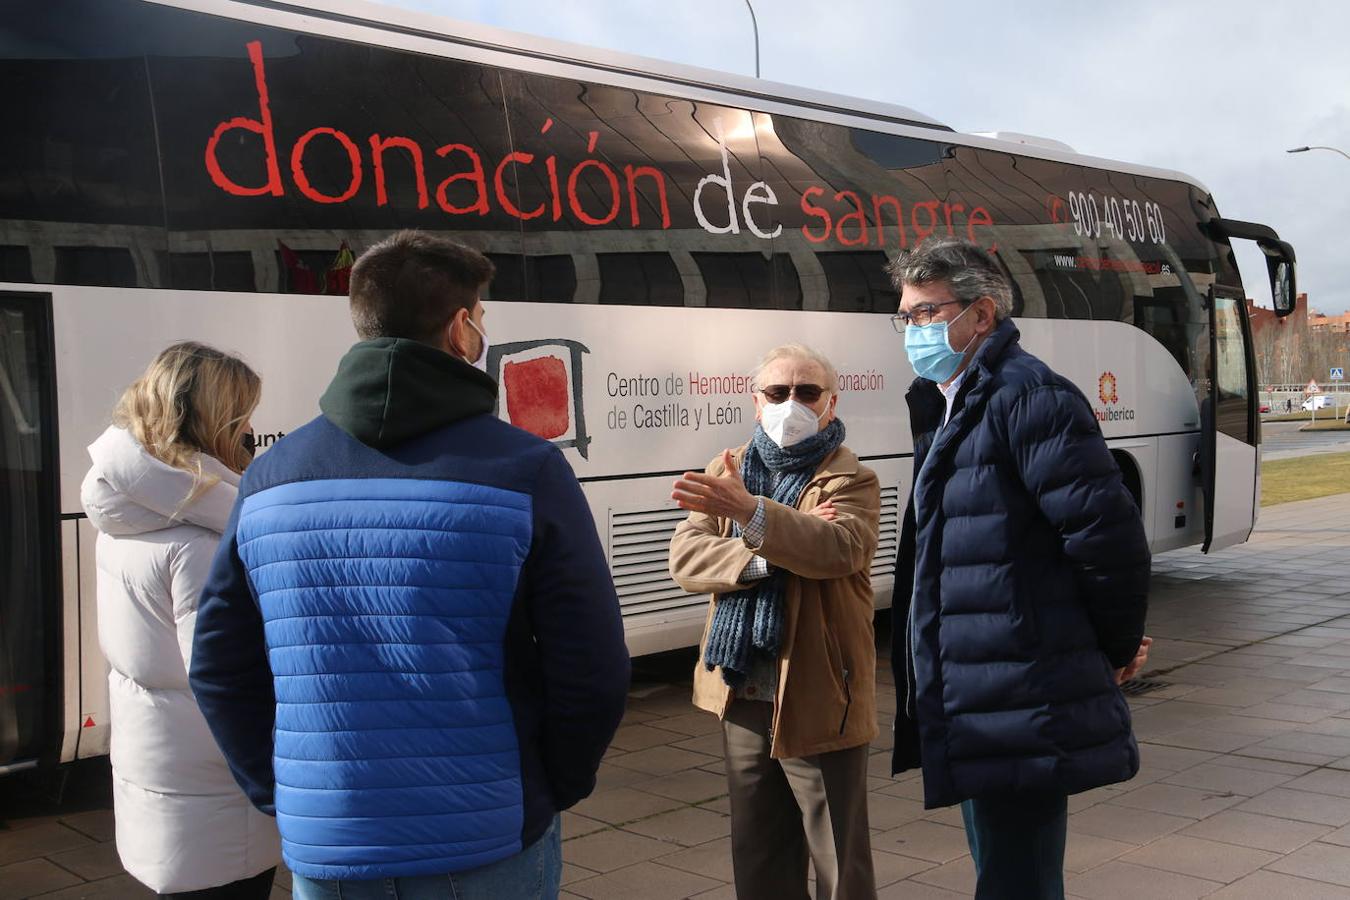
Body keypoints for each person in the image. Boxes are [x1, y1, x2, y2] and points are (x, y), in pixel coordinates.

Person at [188, 231, 630, 900]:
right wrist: (548, 788)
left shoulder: (269, 477)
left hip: (330, 845)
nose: (481, 329)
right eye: (480, 316)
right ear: (460, 328)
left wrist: (283, 793)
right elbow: (591, 667)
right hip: (485, 836)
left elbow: (221, 668)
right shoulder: (526, 469)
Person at [887, 237, 1152, 899]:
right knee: (1004, 873)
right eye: (906, 316)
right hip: (978, 692)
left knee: (1018, 882)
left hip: (1021, 694)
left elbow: (1109, 542)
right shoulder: (949, 401)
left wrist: (1114, 648)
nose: (913, 329)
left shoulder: (1031, 398)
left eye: (925, 313)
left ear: (980, 315)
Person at [669, 343, 881, 900]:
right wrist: (766, 552)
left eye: (807, 392)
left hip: (822, 690)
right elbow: (687, 559)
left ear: (831, 403)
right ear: (756, 401)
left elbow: (838, 549)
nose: (792, 403)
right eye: (778, 392)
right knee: (760, 853)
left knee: (838, 858)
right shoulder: (728, 470)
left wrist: (749, 516)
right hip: (740, 689)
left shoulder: (851, 478)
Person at [80, 342, 279, 899]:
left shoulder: (128, 513)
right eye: (242, 415)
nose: (250, 431)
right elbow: (221, 678)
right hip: (216, 791)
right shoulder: (201, 539)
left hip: (160, 769)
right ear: (217, 421)